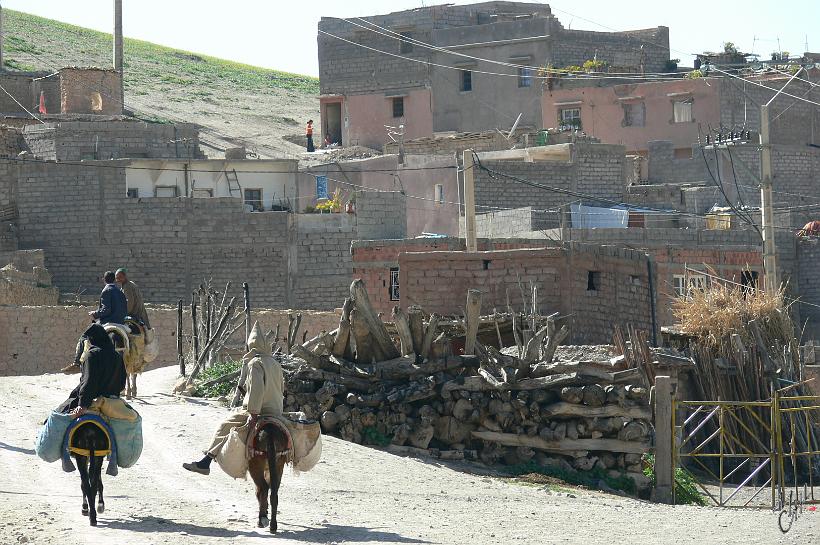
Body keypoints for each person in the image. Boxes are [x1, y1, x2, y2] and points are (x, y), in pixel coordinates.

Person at [183, 322, 283, 475]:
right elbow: (281, 389)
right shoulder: (276, 363)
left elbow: (257, 391)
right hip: (277, 412)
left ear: (252, 346)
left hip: (261, 411)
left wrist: (253, 414)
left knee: (225, 426)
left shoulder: (255, 363)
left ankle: (206, 462)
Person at [61, 271, 128, 374]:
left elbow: (106, 310)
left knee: (84, 336)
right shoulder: (120, 291)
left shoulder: (106, 291)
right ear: (114, 280)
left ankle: (77, 363)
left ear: (103, 280)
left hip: (108, 321)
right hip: (121, 323)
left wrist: (95, 314)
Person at [57, 323, 127, 417]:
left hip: (93, 400)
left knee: (56, 417)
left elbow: (89, 381)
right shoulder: (118, 356)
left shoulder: (91, 355)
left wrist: (82, 404)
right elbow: (122, 384)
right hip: (113, 400)